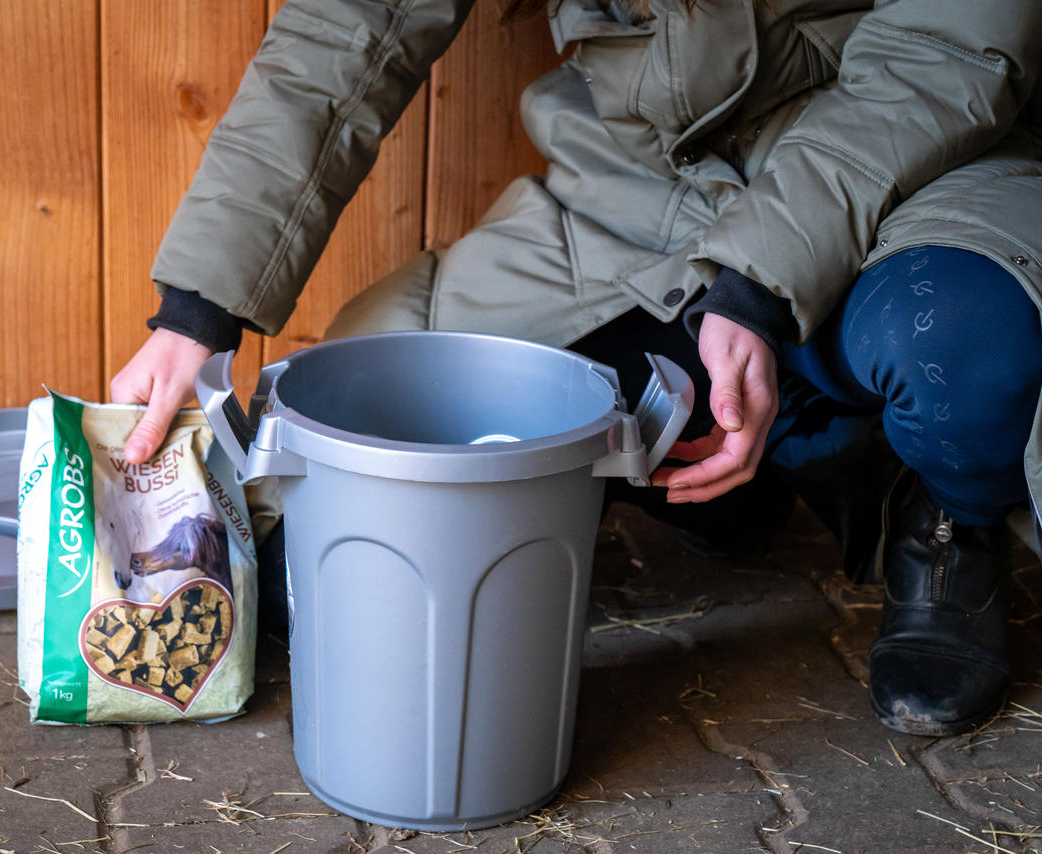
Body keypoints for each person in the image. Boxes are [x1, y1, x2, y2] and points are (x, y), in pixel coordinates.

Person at [110, 0, 1042, 736]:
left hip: (911, 168)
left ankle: (948, 521)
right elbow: (357, 24)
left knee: (961, 349)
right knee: (358, 465)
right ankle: (756, 465)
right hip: (638, 196)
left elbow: (945, 51)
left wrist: (757, 283)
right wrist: (201, 307)